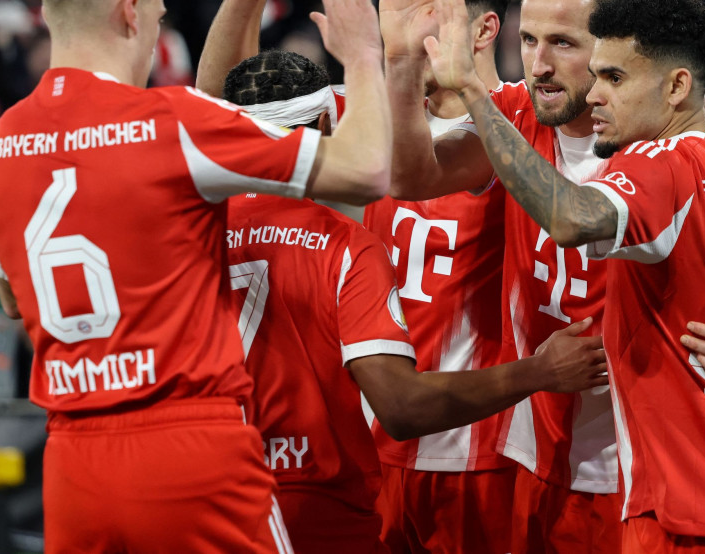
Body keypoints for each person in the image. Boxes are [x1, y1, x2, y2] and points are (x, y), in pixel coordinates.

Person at [382, 0, 705, 552]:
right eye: (529, 40)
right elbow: (412, 178)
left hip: (647, 474)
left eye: (564, 44)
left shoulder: (673, 151)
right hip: (541, 459)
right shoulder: (512, 116)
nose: (539, 65)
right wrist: (402, 64)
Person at [0, 0, 391, 551]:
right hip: (189, 447)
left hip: (73, 462)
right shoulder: (169, 123)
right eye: (160, 18)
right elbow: (365, 170)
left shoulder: (0, 145)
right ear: (131, 11)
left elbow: (12, 299)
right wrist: (362, 55)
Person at [221, 48, 607, 553]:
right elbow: (401, 405)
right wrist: (540, 372)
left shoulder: (183, 230)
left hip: (211, 486)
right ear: (328, 124)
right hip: (322, 497)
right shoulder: (345, 245)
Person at [363, 0, 517, 554]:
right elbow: (224, 102)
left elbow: (412, 175)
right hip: (374, 439)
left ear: (483, 30)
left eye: (426, 14)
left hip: (474, 449)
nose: (405, 29)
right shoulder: (377, 116)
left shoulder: (519, 125)